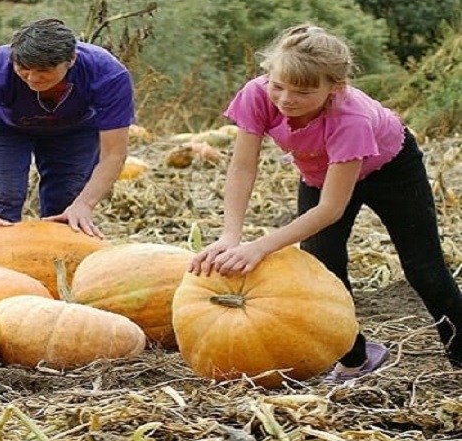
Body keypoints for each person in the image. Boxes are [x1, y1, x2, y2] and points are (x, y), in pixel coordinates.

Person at [188, 23, 462, 383]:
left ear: (336, 87)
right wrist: (230, 236)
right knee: (323, 268)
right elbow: (242, 168)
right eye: (278, 85)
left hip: (392, 170)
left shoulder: (351, 117)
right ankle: (356, 357)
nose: (286, 99)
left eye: (302, 92)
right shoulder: (257, 95)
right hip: (320, 172)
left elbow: (331, 208)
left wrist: (260, 247)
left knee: (424, 269)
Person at [0, 18, 135, 250]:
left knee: (67, 205)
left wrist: (85, 205)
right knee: (1, 199)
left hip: (75, 132)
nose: (32, 78)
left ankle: (57, 269)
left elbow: (113, 153)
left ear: (71, 60)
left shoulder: (108, 74)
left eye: (44, 71)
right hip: (7, 131)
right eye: (23, 69)